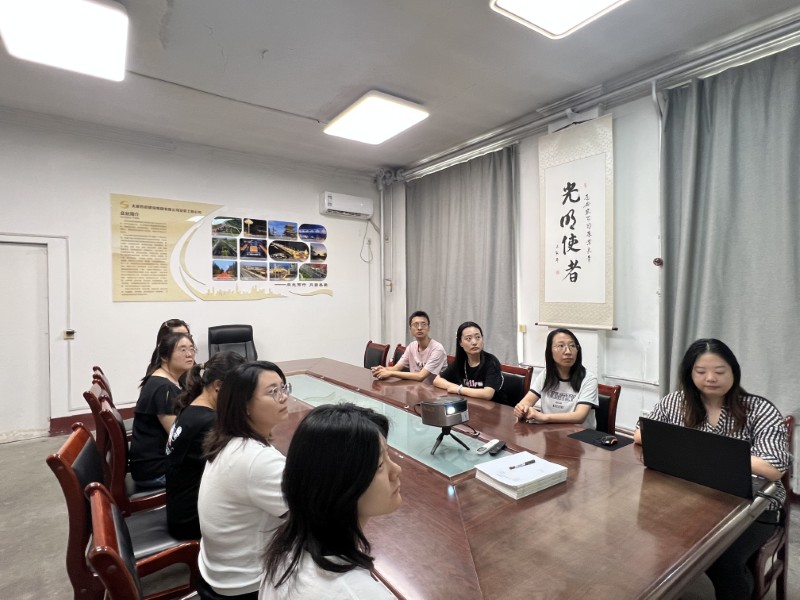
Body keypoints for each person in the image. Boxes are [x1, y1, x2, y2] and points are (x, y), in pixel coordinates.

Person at [633, 338, 790, 600]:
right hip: (694, 498)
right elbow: (641, 434)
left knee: (723, 561)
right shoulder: (677, 401)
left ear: (733, 372)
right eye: (700, 371)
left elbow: (773, 467)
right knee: (647, 532)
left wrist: (705, 453)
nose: (710, 378)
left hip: (754, 506)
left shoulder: (758, 409)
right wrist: (704, 452)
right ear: (689, 373)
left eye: (719, 371)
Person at [260, 403, 401, 600]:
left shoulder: (286, 550)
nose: (396, 470)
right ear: (338, 483)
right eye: (379, 464)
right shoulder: (356, 593)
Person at [197, 361, 291, 599]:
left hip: (218, 570)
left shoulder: (227, 439)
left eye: (283, 387)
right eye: (273, 392)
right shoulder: (256, 458)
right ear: (245, 405)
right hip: (248, 584)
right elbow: (311, 516)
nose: (283, 397)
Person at [165, 351, 245, 540]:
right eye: (241, 390)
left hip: (180, 508)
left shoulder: (192, 408)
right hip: (192, 520)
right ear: (218, 386)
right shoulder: (209, 422)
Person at [129, 332, 196, 487]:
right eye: (182, 349)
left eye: (192, 349)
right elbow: (178, 437)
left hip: (154, 465)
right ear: (165, 357)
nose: (189, 354)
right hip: (155, 471)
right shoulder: (163, 388)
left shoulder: (168, 380)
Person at [513, 328, 599, 427]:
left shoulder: (589, 379)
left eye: (572, 346)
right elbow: (527, 401)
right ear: (550, 351)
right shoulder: (546, 374)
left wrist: (544, 417)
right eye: (561, 346)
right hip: (549, 431)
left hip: (579, 434)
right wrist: (522, 409)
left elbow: (580, 416)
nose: (568, 351)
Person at [433, 321, 510, 406]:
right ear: (460, 343)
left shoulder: (491, 362)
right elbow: (437, 380)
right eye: (468, 338)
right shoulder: (460, 362)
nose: (474, 342)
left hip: (494, 408)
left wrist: (459, 389)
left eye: (478, 337)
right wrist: (453, 387)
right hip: (472, 405)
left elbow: (487, 394)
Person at [371, 310, 447, 383]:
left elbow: (420, 376)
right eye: (416, 325)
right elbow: (396, 368)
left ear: (429, 328)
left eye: (423, 324)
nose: (419, 328)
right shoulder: (411, 346)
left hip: (433, 389)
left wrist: (390, 373)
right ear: (410, 329)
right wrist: (382, 369)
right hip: (414, 387)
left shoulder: (437, 349)